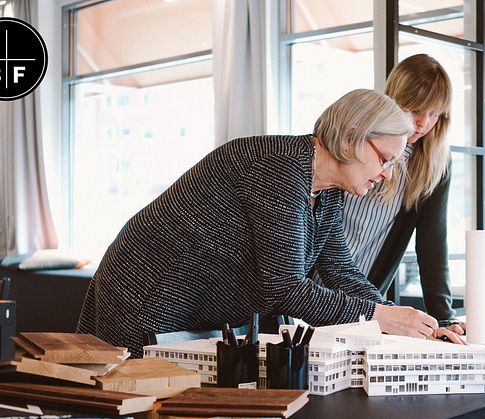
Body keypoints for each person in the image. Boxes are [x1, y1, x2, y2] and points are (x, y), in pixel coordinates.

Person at [77, 89, 465, 358]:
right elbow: (285, 288)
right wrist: (381, 318)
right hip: (148, 292)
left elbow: (340, 272)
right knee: (130, 399)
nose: (386, 174)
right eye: (385, 159)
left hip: (196, 305)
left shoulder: (326, 190)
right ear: (351, 139)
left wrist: (413, 325)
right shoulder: (278, 167)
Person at [341, 54, 459, 327]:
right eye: (416, 109)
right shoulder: (356, 140)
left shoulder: (434, 162)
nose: (423, 123)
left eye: (434, 114)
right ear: (393, 99)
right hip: (309, 282)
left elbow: (432, 246)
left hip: (364, 295)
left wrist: (443, 318)